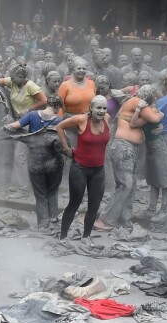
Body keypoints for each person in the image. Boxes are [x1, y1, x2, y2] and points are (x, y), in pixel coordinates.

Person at [99, 85, 162, 228]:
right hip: (123, 147)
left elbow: (143, 121)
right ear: (149, 95)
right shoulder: (136, 101)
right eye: (153, 96)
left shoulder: (137, 104)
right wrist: (160, 113)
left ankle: (124, 218)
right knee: (125, 185)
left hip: (131, 148)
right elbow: (154, 117)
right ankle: (106, 219)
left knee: (131, 186)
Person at [56, 96, 110, 245]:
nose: (102, 111)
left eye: (104, 108)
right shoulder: (81, 120)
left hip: (98, 170)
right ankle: (63, 237)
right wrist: (67, 148)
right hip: (80, 168)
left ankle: (86, 237)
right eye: (98, 108)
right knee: (75, 203)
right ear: (91, 108)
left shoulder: (107, 118)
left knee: (95, 205)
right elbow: (59, 127)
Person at [4, 95, 64, 229]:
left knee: (40, 193)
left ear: (47, 104)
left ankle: (43, 224)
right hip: (54, 162)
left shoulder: (32, 115)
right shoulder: (60, 120)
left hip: (35, 161)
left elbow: (12, 127)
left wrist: (24, 133)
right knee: (52, 192)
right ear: (57, 107)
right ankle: (53, 222)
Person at [130, 86, 167, 221]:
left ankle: (163, 210)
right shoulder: (148, 110)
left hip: (158, 146)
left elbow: (134, 123)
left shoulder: (149, 110)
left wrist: (138, 109)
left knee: (163, 180)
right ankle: (152, 209)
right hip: (150, 147)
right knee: (153, 179)